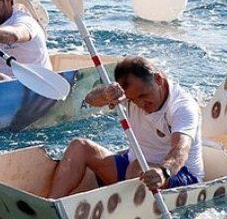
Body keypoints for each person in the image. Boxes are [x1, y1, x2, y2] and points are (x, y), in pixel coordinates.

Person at [48, 55, 204, 198]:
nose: (141, 104)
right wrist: (106, 94)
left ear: (158, 79)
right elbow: (90, 99)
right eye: (133, 99)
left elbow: (181, 149)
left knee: (137, 169)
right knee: (79, 147)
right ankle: (51, 204)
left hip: (178, 175)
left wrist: (164, 172)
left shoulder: (182, 107)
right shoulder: (130, 95)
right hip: (135, 168)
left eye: (143, 96)